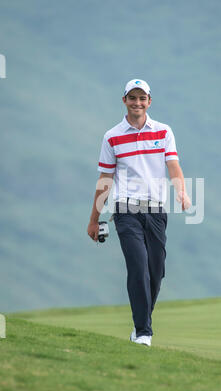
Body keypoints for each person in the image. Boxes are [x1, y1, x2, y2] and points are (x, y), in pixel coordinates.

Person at [87, 79, 191, 347]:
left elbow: (173, 165)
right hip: (126, 210)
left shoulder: (164, 131)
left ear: (149, 101)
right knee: (138, 267)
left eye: (142, 98)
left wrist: (182, 191)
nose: (137, 103)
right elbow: (105, 178)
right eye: (132, 98)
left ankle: (141, 323)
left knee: (156, 272)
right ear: (124, 100)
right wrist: (93, 218)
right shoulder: (112, 136)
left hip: (156, 211)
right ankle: (143, 332)